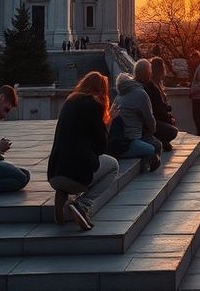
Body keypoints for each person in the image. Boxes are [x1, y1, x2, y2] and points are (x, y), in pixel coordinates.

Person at [48, 72, 119, 231]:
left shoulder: (70, 101)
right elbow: (101, 147)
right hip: (76, 177)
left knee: (75, 158)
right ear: (101, 90)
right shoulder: (94, 105)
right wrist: (108, 124)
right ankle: (83, 204)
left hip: (54, 173)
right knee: (113, 165)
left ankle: (63, 191)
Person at [110, 73, 162, 171]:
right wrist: (152, 131)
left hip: (120, 138)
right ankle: (149, 166)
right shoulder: (140, 93)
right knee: (156, 146)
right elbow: (149, 117)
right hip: (130, 140)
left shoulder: (118, 97)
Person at [136, 58, 178, 151]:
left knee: (171, 126)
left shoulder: (154, 85)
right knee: (172, 131)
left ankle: (161, 140)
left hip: (154, 119)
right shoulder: (152, 87)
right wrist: (169, 118)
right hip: (153, 121)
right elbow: (157, 110)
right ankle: (160, 140)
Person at [188, 50, 200, 139]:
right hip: (197, 97)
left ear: (197, 58)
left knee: (199, 118)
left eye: (192, 58)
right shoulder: (199, 68)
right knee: (198, 118)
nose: (191, 60)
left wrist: (192, 90)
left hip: (198, 98)